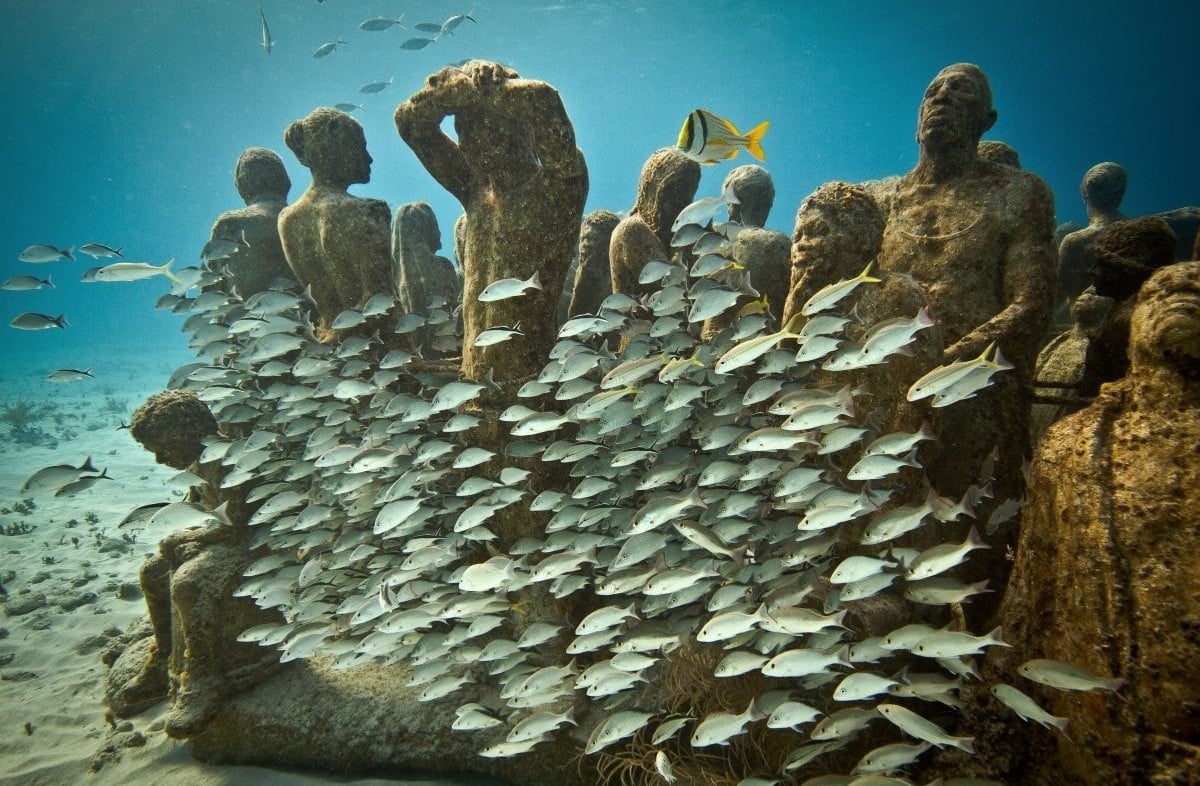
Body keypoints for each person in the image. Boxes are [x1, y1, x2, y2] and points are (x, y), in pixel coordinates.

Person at [394, 60, 588, 384]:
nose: (469, 143)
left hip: (530, 390)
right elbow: (409, 125)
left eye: (484, 128)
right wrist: (449, 90)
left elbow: (545, 101)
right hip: (471, 388)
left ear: (522, 129)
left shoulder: (557, 188)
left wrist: (498, 90)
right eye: (464, 131)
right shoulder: (475, 193)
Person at [278, 107, 395, 338]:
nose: (368, 158)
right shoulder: (370, 211)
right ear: (336, 148)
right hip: (379, 344)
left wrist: (333, 339)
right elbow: (380, 298)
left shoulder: (287, 219)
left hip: (329, 348)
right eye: (360, 147)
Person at [609, 147, 700, 298]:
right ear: (654, 190)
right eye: (677, 190)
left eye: (690, 191)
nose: (685, 201)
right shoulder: (632, 230)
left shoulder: (680, 235)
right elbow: (670, 288)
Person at [205, 147, 293, 297]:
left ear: (242, 184)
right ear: (285, 179)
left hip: (250, 311)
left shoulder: (230, 224)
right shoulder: (307, 218)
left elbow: (211, 297)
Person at [1057, 162, 1129, 321]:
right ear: (1120, 193)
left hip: (1086, 323)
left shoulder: (1074, 241)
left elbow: (1058, 292)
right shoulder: (1138, 231)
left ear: (1084, 193)